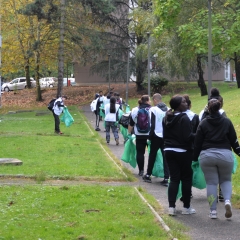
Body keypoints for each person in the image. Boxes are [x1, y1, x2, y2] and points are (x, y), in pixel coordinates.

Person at [193, 99, 240, 219]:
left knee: (211, 183)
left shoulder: (203, 123)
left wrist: (193, 158)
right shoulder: (227, 122)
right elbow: (234, 140)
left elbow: (197, 143)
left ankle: (213, 211)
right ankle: (227, 201)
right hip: (225, 155)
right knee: (226, 180)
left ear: (208, 108)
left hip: (207, 156)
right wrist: (238, 152)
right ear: (220, 108)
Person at [162, 95, 195, 216]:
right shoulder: (184, 118)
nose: (186, 104)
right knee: (186, 178)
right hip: (183, 151)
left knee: (174, 178)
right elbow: (187, 137)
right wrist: (197, 135)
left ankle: (171, 207)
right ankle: (186, 207)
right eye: (184, 102)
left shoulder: (166, 118)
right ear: (178, 105)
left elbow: (164, 134)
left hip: (168, 150)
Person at [199, 88, 226, 202]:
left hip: (206, 149)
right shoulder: (222, 113)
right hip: (221, 148)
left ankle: (212, 207)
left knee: (210, 178)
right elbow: (227, 130)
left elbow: (199, 131)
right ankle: (222, 194)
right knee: (222, 173)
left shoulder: (201, 113)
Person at [142, 93, 169, 186]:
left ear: (155, 100)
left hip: (156, 135)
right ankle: (166, 177)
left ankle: (148, 174)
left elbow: (152, 124)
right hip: (165, 136)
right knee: (165, 157)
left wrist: (149, 137)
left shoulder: (153, 109)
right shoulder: (168, 109)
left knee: (152, 155)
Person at [128, 95, 151, 176]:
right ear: (147, 101)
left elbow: (131, 123)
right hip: (150, 135)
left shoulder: (135, 110)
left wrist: (129, 134)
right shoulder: (152, 109)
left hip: (139, 134)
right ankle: (149, 172)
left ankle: (141, 170)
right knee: (152, 153)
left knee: (140, 153)